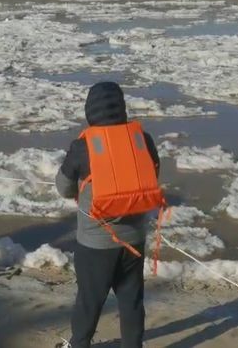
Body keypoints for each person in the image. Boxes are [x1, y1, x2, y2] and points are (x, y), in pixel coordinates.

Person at [55, 82, 163, 348]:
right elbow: (151, 177)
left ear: (90, 110)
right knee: (131, 300)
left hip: (95, 244)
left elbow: (64, 188)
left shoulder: (82, 147)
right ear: (121, 108)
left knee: (89, 300)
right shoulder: (142, 140)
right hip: (134, 240)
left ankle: (79, 344)